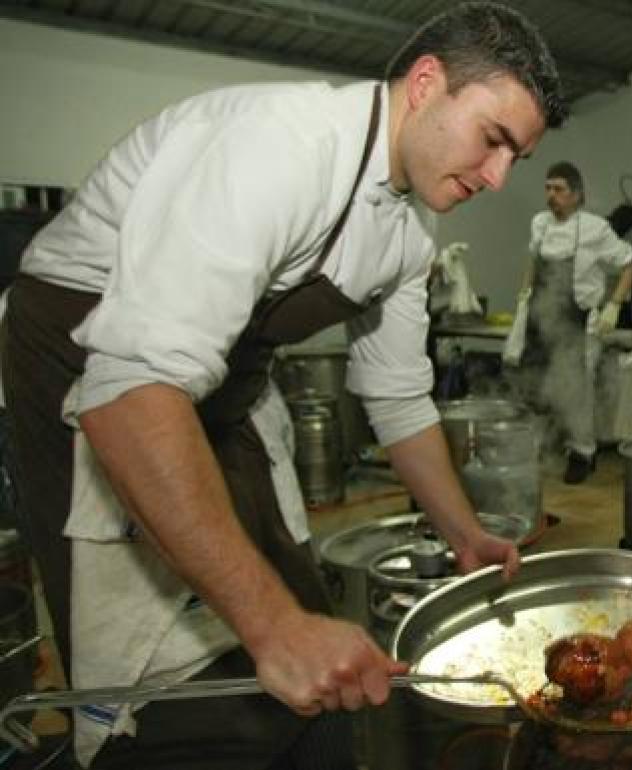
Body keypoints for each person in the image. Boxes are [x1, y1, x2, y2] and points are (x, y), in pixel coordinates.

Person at [0, 3, 564, 767]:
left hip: (220, 391)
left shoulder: (407, 232)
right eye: (493, 139)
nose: (498, 177)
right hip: (88, 375)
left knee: (304, 633)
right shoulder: (277, 146)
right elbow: (129, 397)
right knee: (173, 678)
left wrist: (463, 534)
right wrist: (275, 631)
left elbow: (397, 396)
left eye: (516, 158)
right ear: (427, 83)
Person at [509, 161, 632, 484]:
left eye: (559, 189)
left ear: (576, 195)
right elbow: (533, 261)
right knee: (537, 384)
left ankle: (583, 453)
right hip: (542, 315)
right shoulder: (539, 223)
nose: (551, 195)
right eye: (548, 188)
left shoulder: (595, 228)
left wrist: (614, 305)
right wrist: (524, 297)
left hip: (578, 320)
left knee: (577, 390)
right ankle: (540, 448)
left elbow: (629, 263)